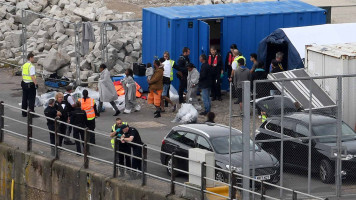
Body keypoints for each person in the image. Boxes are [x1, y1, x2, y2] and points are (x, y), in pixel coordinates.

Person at [21, 53, 39, 118]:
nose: (33, 59)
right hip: (30, 84)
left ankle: (24, 113)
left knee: (24, 99)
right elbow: (32, 76)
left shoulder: (24, 65)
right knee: (31, 99)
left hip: (24, 83)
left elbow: (22, 75)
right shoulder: (31, 66)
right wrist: (36, 83)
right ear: (30, 58)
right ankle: (31, 113)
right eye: (33, 58)